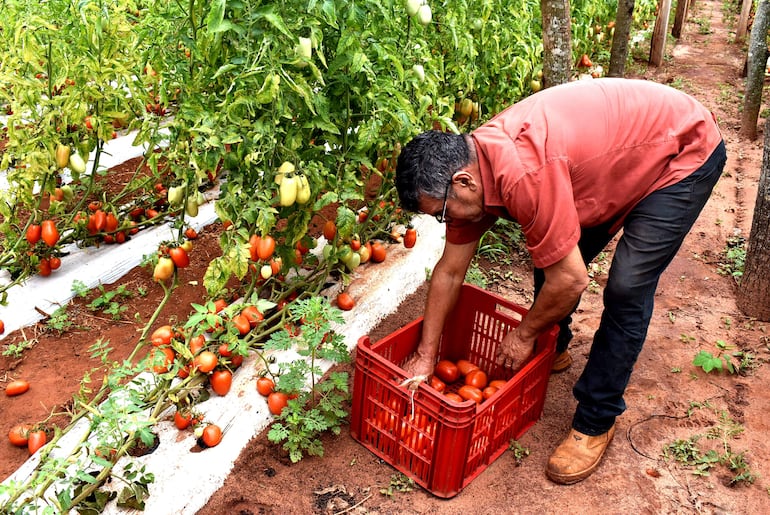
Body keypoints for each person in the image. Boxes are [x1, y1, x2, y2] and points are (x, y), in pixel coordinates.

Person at [395, 78, 726, 485]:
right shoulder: (473, 172)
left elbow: (570, 281)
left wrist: (523, 333)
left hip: (682, 150)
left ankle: (596, 419)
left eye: (443, 213)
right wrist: (427, 355)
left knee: (626, 285)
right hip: (613, 160)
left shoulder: (521, 174)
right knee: (550, 250)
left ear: (462, 182)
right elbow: (449, 270)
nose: (447, 223)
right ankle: (557, 348)